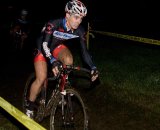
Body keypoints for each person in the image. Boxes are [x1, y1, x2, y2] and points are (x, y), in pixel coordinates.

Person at [25, 0, 99, 118]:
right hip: (42, 48)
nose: (79, 21)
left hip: (56, 47)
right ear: (67, 15)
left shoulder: (80, 30)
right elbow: (45, 45)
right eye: (76, 17)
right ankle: (29, 107)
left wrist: (93, 67)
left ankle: (61, 89)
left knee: (69, 60)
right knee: (41, 77)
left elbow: (84, 51)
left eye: (81, 18)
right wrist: (53, 61)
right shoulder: (54, 24)